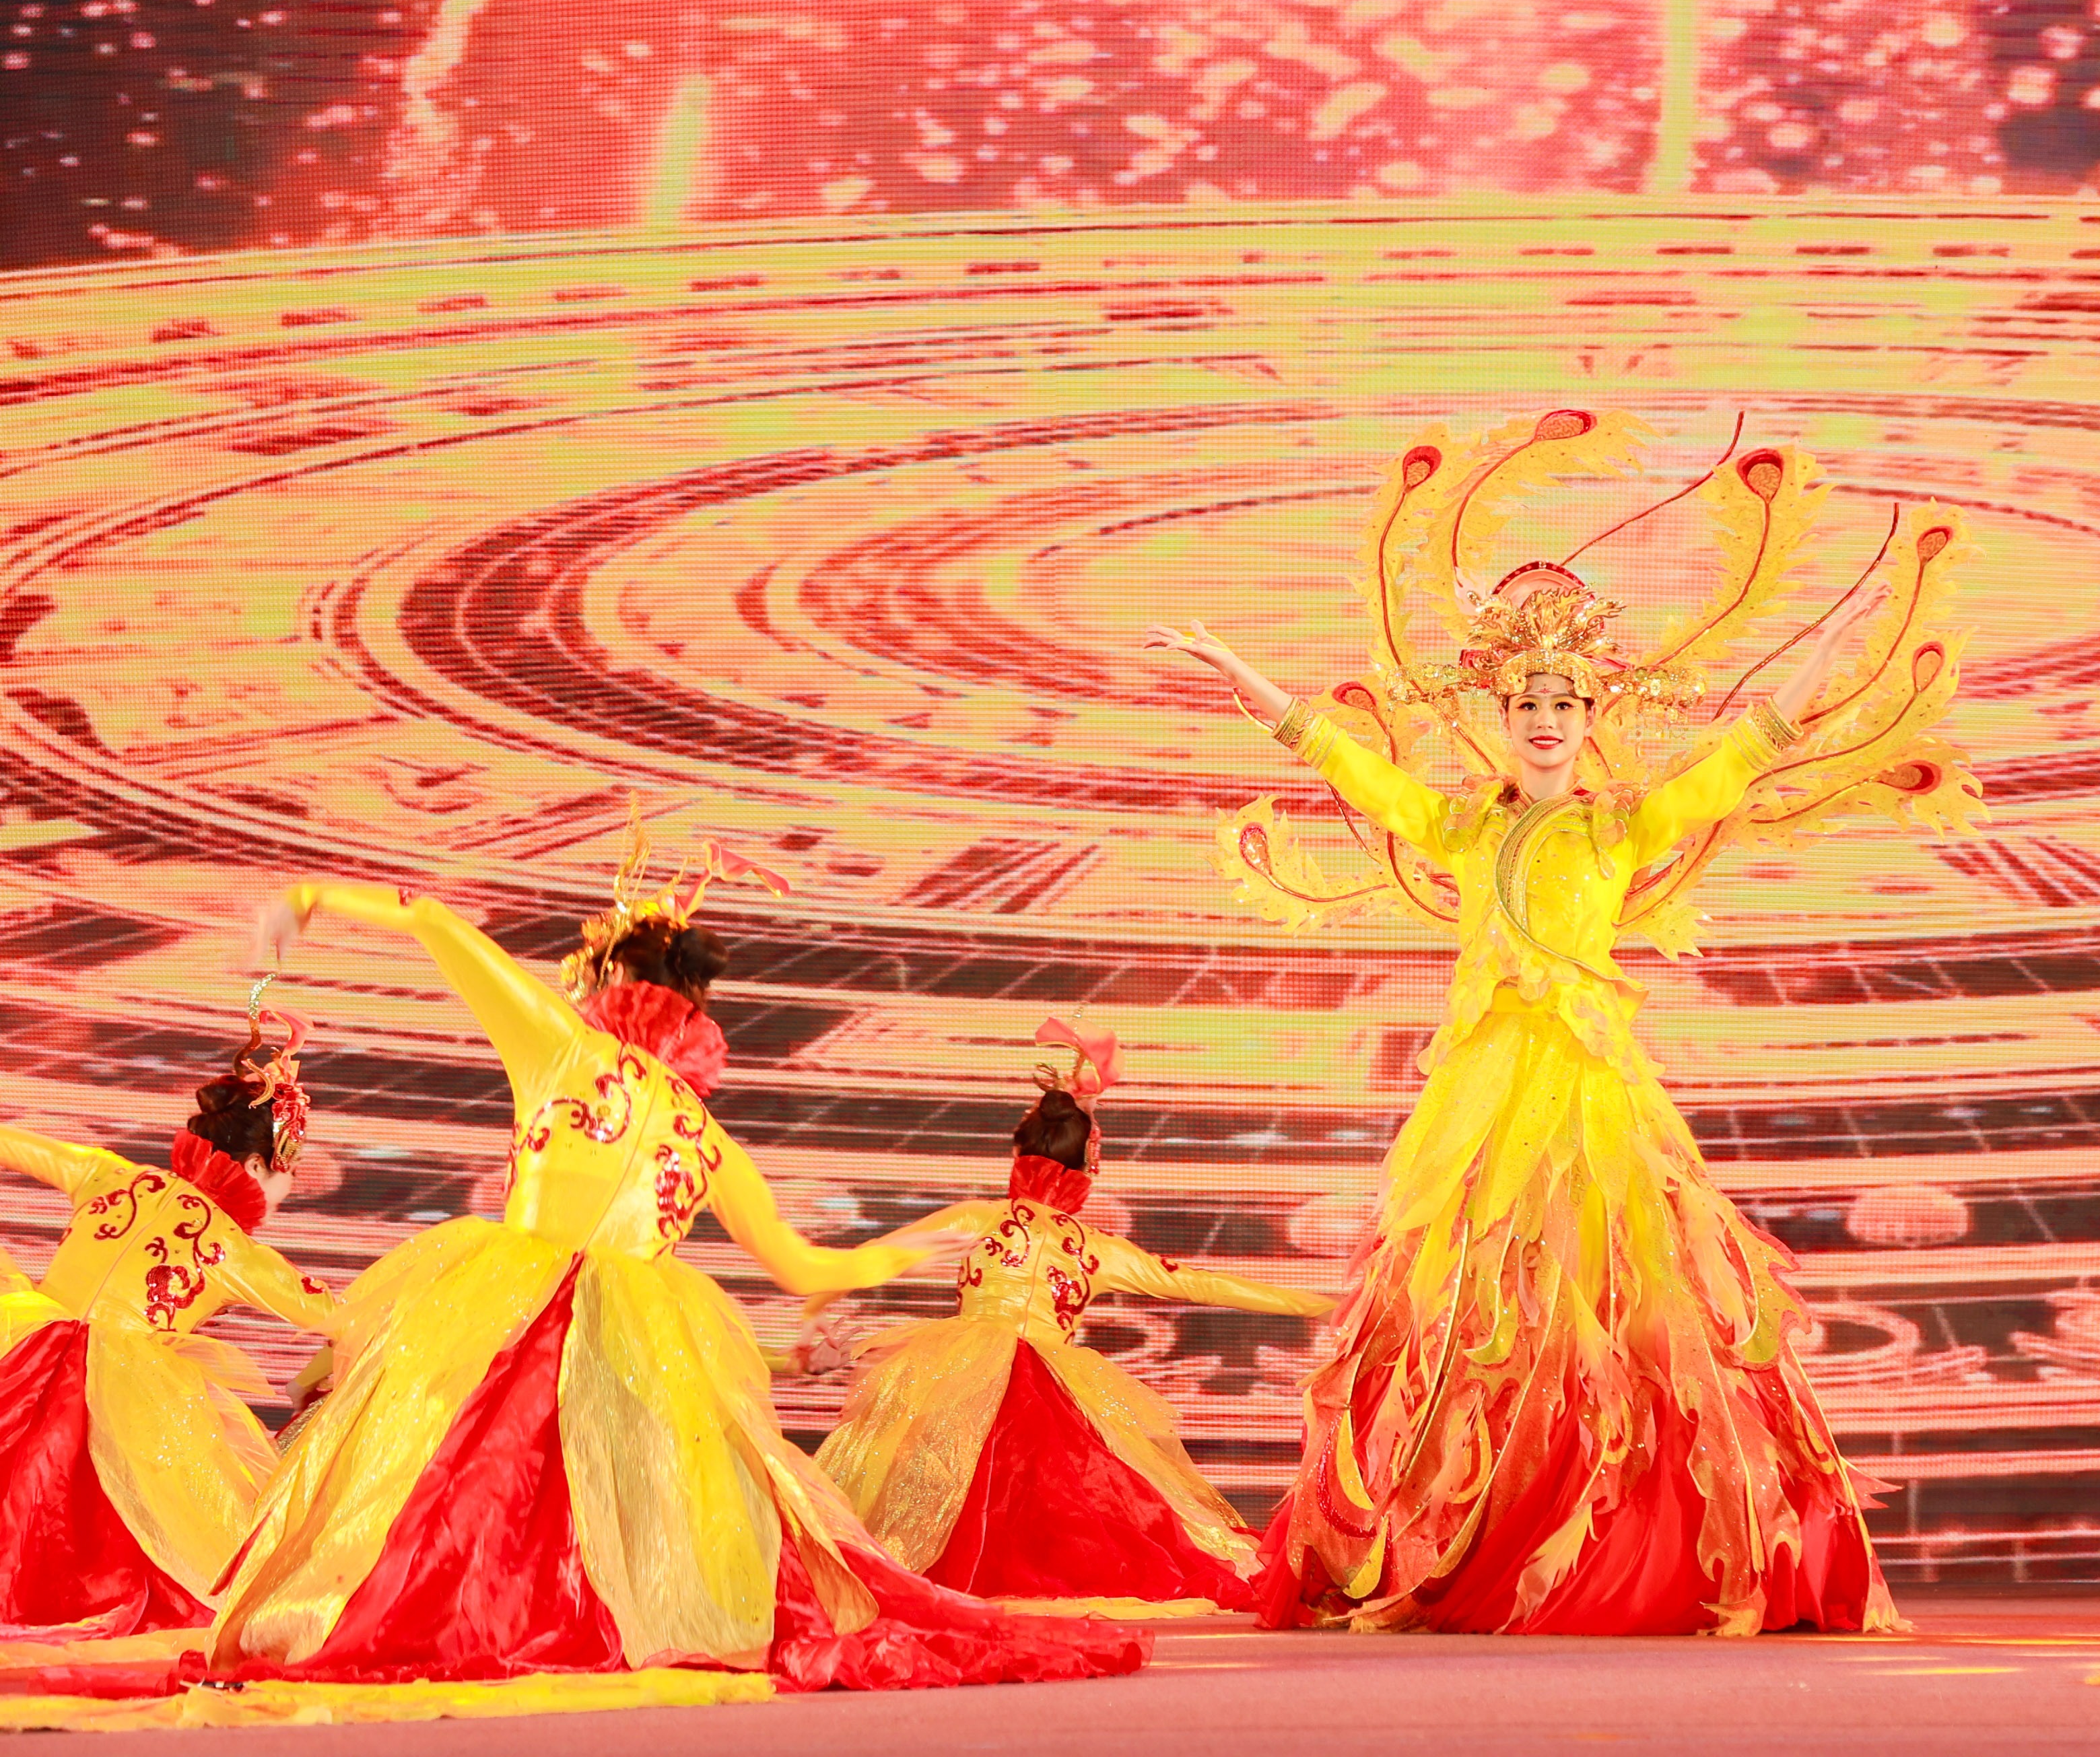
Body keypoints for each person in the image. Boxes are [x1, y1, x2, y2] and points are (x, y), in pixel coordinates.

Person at [1150, 408, 1979, 1635]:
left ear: (1593, 717)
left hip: (1590, 1084)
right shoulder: (1462, 825)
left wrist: (1833, 645)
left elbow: (1750, 748)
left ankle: (1624, 1533)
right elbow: (1342, 761)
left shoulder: (1621, 826)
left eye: (1567, 700)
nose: (1545, 717)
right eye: (1527, 699)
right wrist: (1239, 672)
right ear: (1498, 713)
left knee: (1620, 1298)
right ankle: (1467, 1523)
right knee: (1470, 1304)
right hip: (1483, 1089)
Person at [208, 830, 1148, 1692]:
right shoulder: (705, 1135)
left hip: (509, 1300)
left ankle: (483, 1619)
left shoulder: (560, 1047)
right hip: (638, 1328)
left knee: (463, 1477)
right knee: (627, 1494)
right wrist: (905, 1249)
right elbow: (805, 1270)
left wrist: (310, 896)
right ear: (694, 1015)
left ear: (609, 982)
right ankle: (611, 1618)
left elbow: (433, 919)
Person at [816, 1021, 1334, 1611]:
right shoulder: (1094, 1249)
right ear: (1089, 1169)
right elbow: (1202, 1283)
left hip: (954, 1372)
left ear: (1018, 1155)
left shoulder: (976, 1219)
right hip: (1049, 1386)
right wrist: (1317, 1302)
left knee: (921, 1486)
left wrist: (816, 1313)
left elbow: (865, 1260)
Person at [0, 1006, 338, 1630]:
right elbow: (340, 1318)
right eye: (288, 1173)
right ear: (258, 1167)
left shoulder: (108, 1173)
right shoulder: (233, 1251)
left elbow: (11, 1142)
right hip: (126, 1392)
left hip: (22, 1342)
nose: (287, 1191)